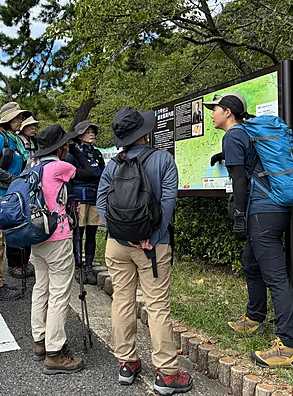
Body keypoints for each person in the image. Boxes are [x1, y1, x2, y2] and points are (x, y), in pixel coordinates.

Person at [97, 107, 193, 394]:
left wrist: (121, 233)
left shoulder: (113, 165)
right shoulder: (163, 159)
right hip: (153, 247)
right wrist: (149, 237)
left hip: (117, 246)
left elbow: (102, 203)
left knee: (121, 302)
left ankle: (126, 363)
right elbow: (167, 204)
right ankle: (167, 373)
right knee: (157, 305)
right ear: (145, 132)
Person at [205, 93, 293, 368]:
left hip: (262, 212)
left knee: (276, 278)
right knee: (250, 261)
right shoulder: (245, 133)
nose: (212, 114)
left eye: (215, 109)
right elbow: (251, 161)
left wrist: (238, 214)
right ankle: (254, 318)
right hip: (275, 209)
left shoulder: (233, 135)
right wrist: (224, 156)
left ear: (227, 112)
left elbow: (239, 179)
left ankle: (288, 346)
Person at [29, 124, 98, 374]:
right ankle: (55, 353)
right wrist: (77, 150)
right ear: (60, 148)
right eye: (65, 144)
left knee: (41, 287)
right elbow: (91, 174)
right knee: (59, 292)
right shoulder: (60, 166)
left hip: (36, 235)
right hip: (57, 236)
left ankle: (39, 340)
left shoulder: (34, 167)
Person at [0, 102, 31, 300]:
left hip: (11, 195)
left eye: (21, 117)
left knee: (6, 237)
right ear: (8, 120)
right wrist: (13, 180)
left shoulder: (16, 140)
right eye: (17, 118)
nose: (21, 121)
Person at [65, 120, 105, 285]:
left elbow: (103, 175)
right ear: (79, 135)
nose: (91, 134)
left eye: (93, 131)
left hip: (94, 197)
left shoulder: (97, 154)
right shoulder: (72, 154)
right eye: (87, 131)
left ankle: (88, 265)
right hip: (78, 199)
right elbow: (67, 177)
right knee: (78, 234)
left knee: (92, 233)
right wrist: (69, 199)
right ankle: (78, 266)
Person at [5, 115, 40, 279]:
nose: (33, 128)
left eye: (35, 125)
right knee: (15, 224)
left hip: (30, 187)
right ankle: (14, 263)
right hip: (16, 188)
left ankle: (25, 261)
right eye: (30, 125)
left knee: (28, 225)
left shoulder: (36, 142)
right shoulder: (15, 141)